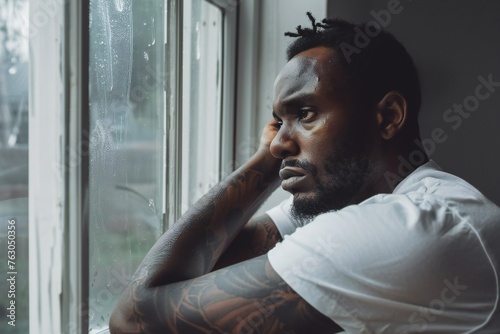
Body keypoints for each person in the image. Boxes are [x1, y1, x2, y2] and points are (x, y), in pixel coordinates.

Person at [109, 13, 500, 333]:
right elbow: (197, 269)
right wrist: (267, 155)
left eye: (305, 114)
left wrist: (265, 163)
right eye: (278, 121)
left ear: (388, 117)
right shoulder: (344, 204)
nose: (279, 142)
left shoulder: (418, 227)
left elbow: (134, 318)